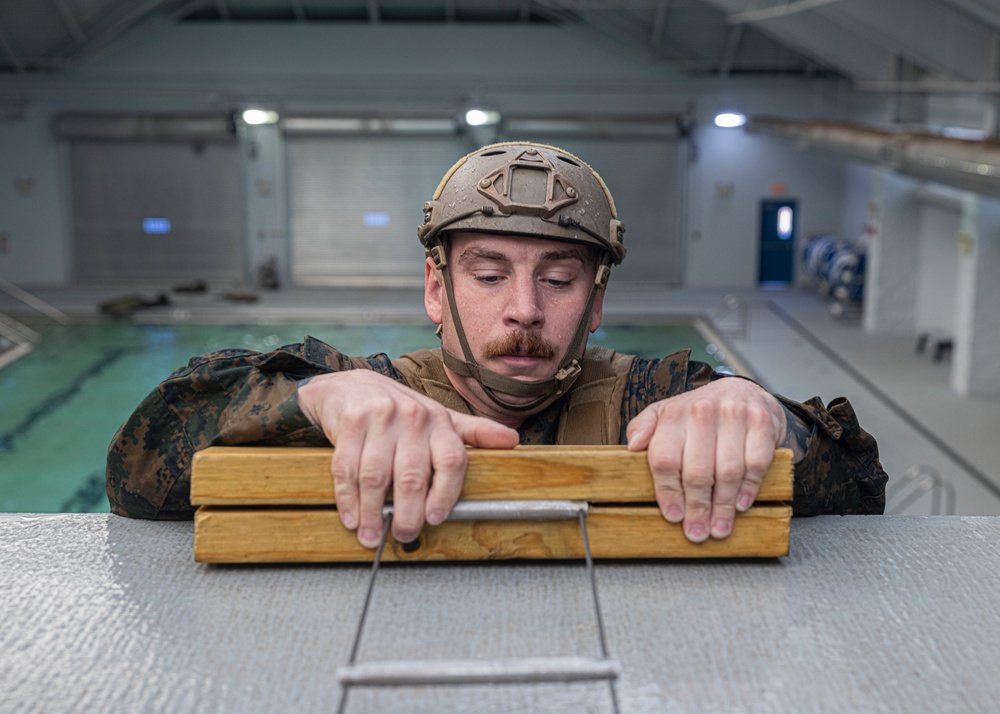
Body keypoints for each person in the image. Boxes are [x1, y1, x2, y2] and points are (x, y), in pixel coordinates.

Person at [106, 142, 887, 546]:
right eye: (487, 275)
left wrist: (760, 415)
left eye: (558, 279)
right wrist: (313, 396)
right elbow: (137, 471)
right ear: (435, 290)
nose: (524, 311)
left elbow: (859, 485)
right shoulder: (368, 400)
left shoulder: (654, 397)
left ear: (596, 301)